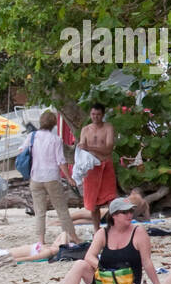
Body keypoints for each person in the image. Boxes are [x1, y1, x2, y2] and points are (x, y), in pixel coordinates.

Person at [47, 196, 159, 284]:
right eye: (125, 212)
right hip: (104, 278)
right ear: (114, 215)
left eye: (131, 211)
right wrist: (104, 269)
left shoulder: (138, 232)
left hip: (128, 281)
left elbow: (147, 262)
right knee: (80, 264)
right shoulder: (103, 233)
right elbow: (89, 256)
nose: (130, 215)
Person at [22, 111, 80, 245]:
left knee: (39, 211)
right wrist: (69, 178)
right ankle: (73, 236)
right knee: (61, 209)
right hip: (52, 177)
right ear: (54, 124)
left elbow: (22, 151)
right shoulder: (56, 139)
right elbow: (60, 161)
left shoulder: (32, 136)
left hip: (35, 177)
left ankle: (41, 241)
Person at [78, 102, 118, 230]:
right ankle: (96, 230)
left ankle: (112, 227)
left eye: (98, 114)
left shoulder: (108, 127)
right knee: (93, 204)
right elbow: (81, 150)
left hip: (105, 165)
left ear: (103, 115)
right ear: (90, 114)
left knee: (111, 200)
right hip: (91, 170)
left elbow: (108, 148)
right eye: (93, 114)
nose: (95, 117)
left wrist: (89, 147)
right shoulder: (85, 130)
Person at [69, 187, 147, 223]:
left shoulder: (133, 197)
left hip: (113, 213)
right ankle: (69, 223)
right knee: (88, 221)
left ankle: (62, 221)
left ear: (134, 192)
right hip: (118, 219)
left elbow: (121, 204)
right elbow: (147, 219)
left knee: (83, 214)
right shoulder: (145, 204)